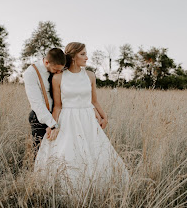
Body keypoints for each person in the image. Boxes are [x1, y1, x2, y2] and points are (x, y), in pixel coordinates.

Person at [34, 42, 129, 191]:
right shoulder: (58, 78)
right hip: (68, 120)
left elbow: (94, 100)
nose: (86, 57)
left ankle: (97, 188)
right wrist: (51, 125)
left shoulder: (90, 75)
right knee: (67, 153)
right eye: (83, 54)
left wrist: (105, 117)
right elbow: (58, 106)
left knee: (94, 153)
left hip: (87, 120)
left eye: (86, 54)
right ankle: (66, 188)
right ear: (72, 57)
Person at [23, 48, 66, 157]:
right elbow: (36, 103)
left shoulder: (59, 70)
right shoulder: (31, 73)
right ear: (46, 62)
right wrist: (52, 124)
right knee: (40, 154)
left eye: (61, 70)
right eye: (56, 70)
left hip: (59, 116)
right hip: (40, 117)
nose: (59, 73)